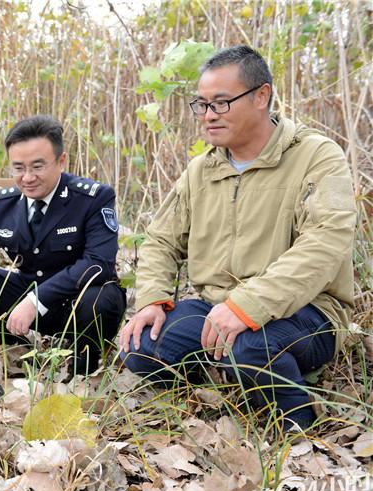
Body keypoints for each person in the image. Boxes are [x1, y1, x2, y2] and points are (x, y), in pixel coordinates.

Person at [118, 45, 356, 430]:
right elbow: (161, 240)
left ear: (261, 96)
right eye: (202, 105)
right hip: (216, 306)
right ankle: (221, 386)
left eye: (221, 103)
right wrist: (152, 299)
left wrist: (248, 305)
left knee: (249, 347)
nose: (208, 116)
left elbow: (326, 242)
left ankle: (297, 427)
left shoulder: (316, 156)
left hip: (306, 312)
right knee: (142, 346)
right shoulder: (201, 170)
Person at [0, 115, 126, 375]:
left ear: (61, 161)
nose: (27, 178)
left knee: (100, 298)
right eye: (18, 168)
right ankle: (13, 359)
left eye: (37, 166)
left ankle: (84, 370)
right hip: (30, 295)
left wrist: (35, 300)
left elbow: (99, 263)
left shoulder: (92, 198)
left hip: (78, 303)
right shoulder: (2, 205)